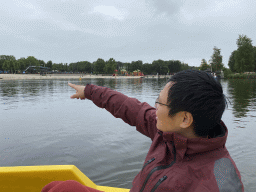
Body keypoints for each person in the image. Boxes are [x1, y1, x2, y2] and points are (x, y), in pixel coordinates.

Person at [42, 70, 244, 192]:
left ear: (184, 119)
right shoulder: (167, 134)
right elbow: (130, 107)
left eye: (160, 103)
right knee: (58, 188)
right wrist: (89, 91)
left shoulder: (221, 178)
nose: (154, 107)